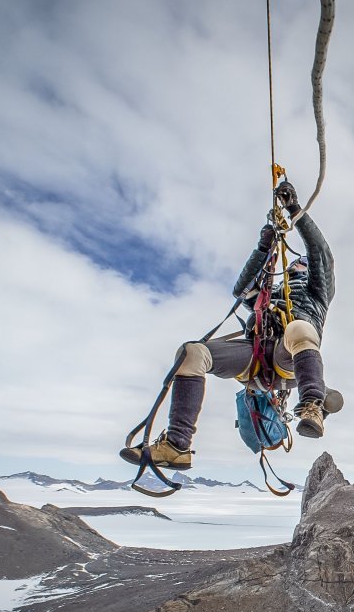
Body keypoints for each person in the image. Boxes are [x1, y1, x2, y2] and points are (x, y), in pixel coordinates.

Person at [141, 179, 336, 470]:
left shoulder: (317, 292)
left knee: (298, 329)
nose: (297, 265)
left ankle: (312, 405)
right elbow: (242, 289)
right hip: (254, 357)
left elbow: (321, 253)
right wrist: (264, 246)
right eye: (297, 263)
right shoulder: (268, 295)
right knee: (192, 353)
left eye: (302, 264)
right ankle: (177, 445)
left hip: (289, 359)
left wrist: (295, 210)